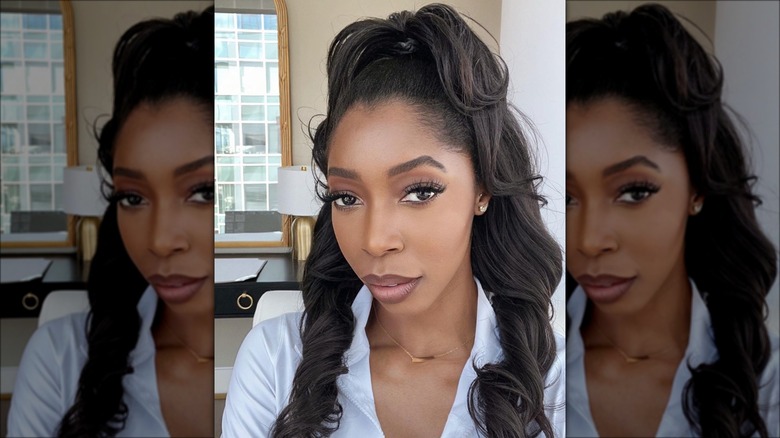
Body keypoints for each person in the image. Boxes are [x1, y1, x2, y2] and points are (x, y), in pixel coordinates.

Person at [222, 3, 565, 437]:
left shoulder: (556, 383)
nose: (375, 240)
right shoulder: (276, 360)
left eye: (420, 192)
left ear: (483, 189)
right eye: (347, 197)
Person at [565, 4, 779, 437]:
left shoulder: (768, 384)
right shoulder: (517, 369)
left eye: (634, 192)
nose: (589, 241)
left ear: (698, 186)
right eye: (565, 197)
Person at [7, 7, 215, 437]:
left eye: (203, 193)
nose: (159, 241)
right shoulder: (61, 361)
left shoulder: (288, 362)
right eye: (132, 197)